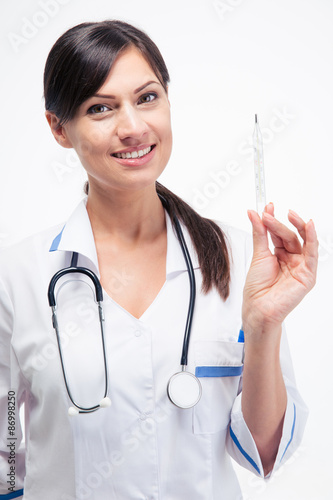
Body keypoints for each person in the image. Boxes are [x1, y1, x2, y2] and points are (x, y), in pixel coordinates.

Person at [0, 20, 318, 500]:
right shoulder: (17, 277)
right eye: (100, 108)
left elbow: (264, 455)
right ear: (59, 128)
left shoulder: (239, 261)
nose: (132, 128)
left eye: (147, 98)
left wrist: (264, 326)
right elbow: (5, 457)